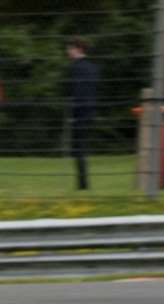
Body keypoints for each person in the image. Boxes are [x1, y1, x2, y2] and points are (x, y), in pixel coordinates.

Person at [65, 37, 98, 190]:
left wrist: (72, 113)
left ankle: (82, 184)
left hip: (79, 112)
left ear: (78, 49)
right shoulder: (92, 67)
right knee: (81, 148)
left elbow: (77, 92)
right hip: (90, 111)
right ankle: (83, 183)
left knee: (78, 148)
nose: (68, 51)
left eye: (70, 48)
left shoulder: (76, 68)